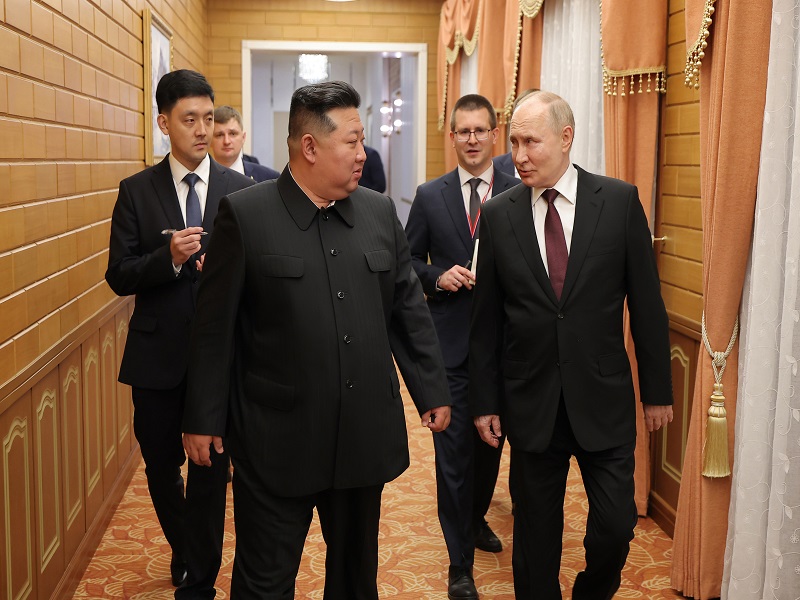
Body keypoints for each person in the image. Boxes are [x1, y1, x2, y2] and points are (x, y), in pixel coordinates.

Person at [181, 80, 452, 599]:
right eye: (351, 141)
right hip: (275, 440)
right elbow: (213, 330)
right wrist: (202, 418)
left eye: (362, 139)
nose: (362, 153)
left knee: (355, 581)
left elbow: (407, 310)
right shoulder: (246, 215)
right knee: (264, 581)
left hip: (361, 439)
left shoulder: (378, 213)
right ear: (309, 147)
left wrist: (432, 388)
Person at [469, 90, 673, 599]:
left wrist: (658, 391)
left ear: (566, 138)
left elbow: (646, 305)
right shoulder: (498, 215)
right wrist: (485, 402)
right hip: (531, 400)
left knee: (615, 527)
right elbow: (486, 321)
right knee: (535, 539)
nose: (518, 155)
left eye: (530, 141)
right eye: (513, 141)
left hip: (602, 398)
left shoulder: (619, 202)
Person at [105, 70, 254, 598]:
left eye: (208, 119)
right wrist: (166, 260)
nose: (202, 130)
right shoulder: (136, 192)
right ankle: (188, 551)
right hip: (156, 358)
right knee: (162, 467)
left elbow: (259, 277)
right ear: (164, 122)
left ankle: (199, 580)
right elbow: (118, 273)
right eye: (189, 120)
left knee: (212, 472)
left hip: (220, 361)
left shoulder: (242, 192)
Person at [405, 93, 517, 600]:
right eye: (462, 131)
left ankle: (475, 521)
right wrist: (436, 276)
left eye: (480, 130)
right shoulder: (430, 196)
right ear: (451, 137)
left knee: (489, 452)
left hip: (506, 352)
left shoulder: (522, 188)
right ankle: (459, 564)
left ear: (495, 134)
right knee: (453, 460)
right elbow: (405, 267)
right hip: (448, 352)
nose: (472, 140)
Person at [211, 105, 280, 182]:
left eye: (232, 134)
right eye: (219, 135)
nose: (226, 141)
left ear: (243, 137)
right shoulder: (199, 179)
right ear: (209, 141)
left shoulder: (269, 178)